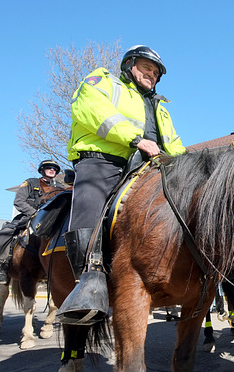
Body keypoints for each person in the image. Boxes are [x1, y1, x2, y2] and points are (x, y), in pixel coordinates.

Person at [57, 45, 186, 324]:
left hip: (148, 166)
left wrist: (192, 166)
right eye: (146, 68)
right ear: (128, 65)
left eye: (155, 72)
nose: (151, 74)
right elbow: (92, 111)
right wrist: (135, 139)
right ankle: (88, 282)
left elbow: (173, 144)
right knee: (91, 199)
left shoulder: (159, 107)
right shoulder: (102, 81)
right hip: (104, 161)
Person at [0, 160, 64, 286]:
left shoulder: (60, 188)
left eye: (54, 169)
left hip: (51, 220)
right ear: (42, 170)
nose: (52, 170)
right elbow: (19, 201)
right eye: (48, 167)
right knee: (2, 234)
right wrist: (35, 213)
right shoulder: (30, 183)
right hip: (28, 217)